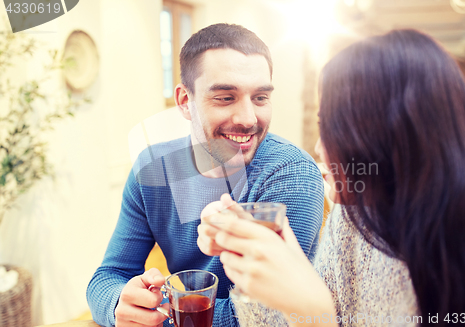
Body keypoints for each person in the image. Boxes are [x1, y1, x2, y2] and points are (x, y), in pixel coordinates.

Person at [204, 29, 465, 326]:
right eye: (225, 97)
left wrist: (315, 316)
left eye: (331, 127)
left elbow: (318, 314)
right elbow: (305, 309)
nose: (319, 148)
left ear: (386, 136)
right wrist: (273, 266)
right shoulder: (352, 214)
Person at [86, 23, 325, 327]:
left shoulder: (291, 172)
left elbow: (265, 314)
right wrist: (120, 303)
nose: (248, 119)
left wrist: (161, 313)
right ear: (185, 101)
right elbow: (107, 278)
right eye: (226, 97)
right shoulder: (152, 169)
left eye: (261, 97)